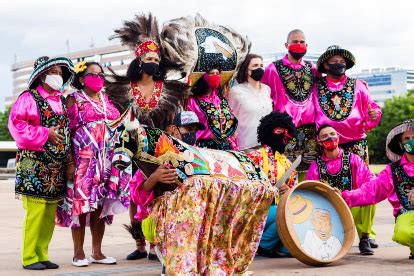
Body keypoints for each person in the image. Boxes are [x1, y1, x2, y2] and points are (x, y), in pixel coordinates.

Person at [106, 14, 187, 261]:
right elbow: (116, 120)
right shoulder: (121, 89)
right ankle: (140, 244)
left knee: (160, 195)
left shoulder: (170, 89)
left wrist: (174, 131)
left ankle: (156, 244)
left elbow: (176, 117)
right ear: (139, 62)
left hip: (162, 149)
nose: (153, 62)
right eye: (148, 58)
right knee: (135, 196)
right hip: (133, 149)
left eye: (156, 59)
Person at [55, 61, 128, 267]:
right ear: (81, 78)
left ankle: (97, 251)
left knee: (99, 207)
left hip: (106, 162)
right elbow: (65, 133)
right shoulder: (73, 100)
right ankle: (78, 253)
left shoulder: (108, 99)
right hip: (83, 162)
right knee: (81, 206)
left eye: (100, 75)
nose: (97, 78)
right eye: (92, 74)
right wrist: (69, 162)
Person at [9, 56, 74, 270]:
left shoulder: (61, 100)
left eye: (59, 72)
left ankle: (42, 253)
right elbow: (16, 127)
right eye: (53, 71)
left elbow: (66, 132)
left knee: (48, 214)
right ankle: (29, 257)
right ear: (42, 74)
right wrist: (45, 133)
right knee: (36, 212)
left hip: (56, 166)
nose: (58, 75)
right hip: (34, 163)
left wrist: (69, 160)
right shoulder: (28, 98)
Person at [340, 120, 414, 260]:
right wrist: (344, 196)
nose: (411, 142)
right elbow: (371, 190)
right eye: (407, 139)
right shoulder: (392, 170)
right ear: (400, 144)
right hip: (407, 213)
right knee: (403, 233)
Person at [306, 124, 378, 255]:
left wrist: (352, 195)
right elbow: (309, 191)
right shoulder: (315, 167)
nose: (330, 137)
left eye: (332, 134)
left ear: (338, 137)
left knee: (370, 198)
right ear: (319, 141)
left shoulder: (353, 159)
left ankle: (365, 238)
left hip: (352, 205)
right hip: (331, 212)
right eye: (325, 136)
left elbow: (370, 180)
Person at [262, 29, 318, 174]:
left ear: (307, 45)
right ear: (286, 45)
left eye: (301, 42)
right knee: (284, 174)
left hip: (310, 132)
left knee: (309, 175)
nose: (298, 45)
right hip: (284, 132)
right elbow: (262, 96)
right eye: (295, 42)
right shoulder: (273, 69)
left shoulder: (312, 68)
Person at [314, 45, 382, 165]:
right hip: (326, 144)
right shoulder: (316, 87)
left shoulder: (358, 85)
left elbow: (373, 107)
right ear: (326, 65)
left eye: (342, 61)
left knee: (360, 180)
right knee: (327, 181)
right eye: (334, 61)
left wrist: (373, 114)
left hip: (355, 143)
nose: (339, 64)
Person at [245, 111, 297, 257]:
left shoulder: (287, 163)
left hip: (279, 210)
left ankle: (278, 247)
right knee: (286, 213)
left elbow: (295, 192)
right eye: (279, 130)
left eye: (287, 132)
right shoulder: (253, 157)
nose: (284, 135)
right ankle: (263, 245)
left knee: (294, 214)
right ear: (268, 130)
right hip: (256, 211)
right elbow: (244, 187)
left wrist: (288, 190)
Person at [187, 65, 239, 150]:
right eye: (211, 73)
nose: (215, 76)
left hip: (226, 147)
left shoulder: (222, 100)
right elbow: (190, 129)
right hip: (204, 148)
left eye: (217, 73)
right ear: (204, 77)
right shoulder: (193, 101)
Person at [228, 54, 273, 150]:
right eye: (255, 65)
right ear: (246, 70)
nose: (259, 68)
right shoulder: (236, 91)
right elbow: (231, 119)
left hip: (267, 145)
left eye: (261, 66)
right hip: (246, 146)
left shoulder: (267, 89)